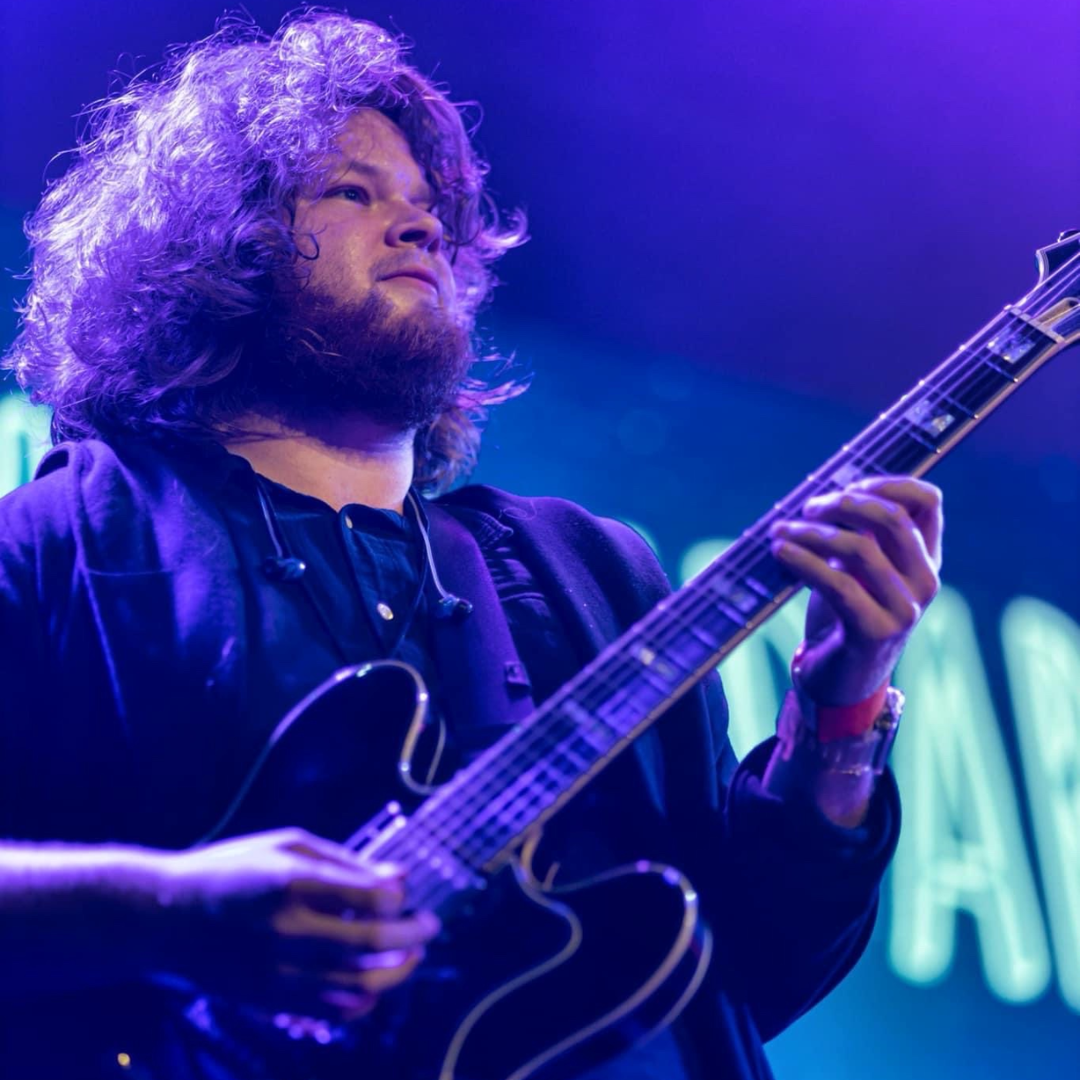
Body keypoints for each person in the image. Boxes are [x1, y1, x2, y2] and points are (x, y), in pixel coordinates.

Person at [0, 10, 943, 1079]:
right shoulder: (62, 546)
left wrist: (840, 712)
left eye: (430, 208)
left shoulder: (589, 576)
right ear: (214, 249)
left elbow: (750, 975)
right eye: (352, 191)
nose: (420, 230)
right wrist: (168, 914)